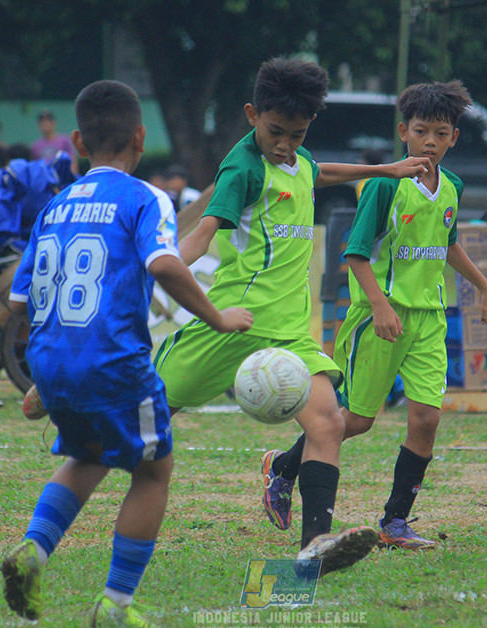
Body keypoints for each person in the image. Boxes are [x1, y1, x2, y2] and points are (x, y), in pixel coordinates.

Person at [152, 57, 434, 575]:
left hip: (287, 336)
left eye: (297, 134)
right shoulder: (242, 168)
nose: (284, 144)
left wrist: (385, 169)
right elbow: (203, 231)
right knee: (140, 418)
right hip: (228, 325)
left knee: (327, 422)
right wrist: (161, 264)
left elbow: (315, 171)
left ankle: (314, 546)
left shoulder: (297, 160)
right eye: (275, 132)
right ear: (251, 115)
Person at [2, 80, 253, 628]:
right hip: (115, 361)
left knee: (90, 455)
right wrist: (219, 316)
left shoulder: (55, 206)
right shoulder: (146, 197)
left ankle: (34, 552)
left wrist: (46, 375)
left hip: (53, 357)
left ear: (76, 142)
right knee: (154, 469)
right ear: (140, 137)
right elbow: (164, 264)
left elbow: (21, 300)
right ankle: (115, 604)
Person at [261, 81, 487, 549]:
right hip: (381, 319)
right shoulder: (384, 185)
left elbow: (447, 243)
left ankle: (395, 522)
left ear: (454, 137)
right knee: (357, 420)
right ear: (403, 132)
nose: (430, 141)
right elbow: (354, 253)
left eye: (441, 132)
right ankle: (283, 467)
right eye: (420, 131)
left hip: (428, 318)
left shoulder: (451, 186)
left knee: (427, 420)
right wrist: (379, 305)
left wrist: (484, 285)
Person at [31, 109, 78, 175]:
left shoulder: (64, 141)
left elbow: (73, 161)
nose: (45, 123)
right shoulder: (36, 146)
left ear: (54, 123)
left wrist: (73, 177)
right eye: (42, 121)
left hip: (63, 179)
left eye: (48, 120)